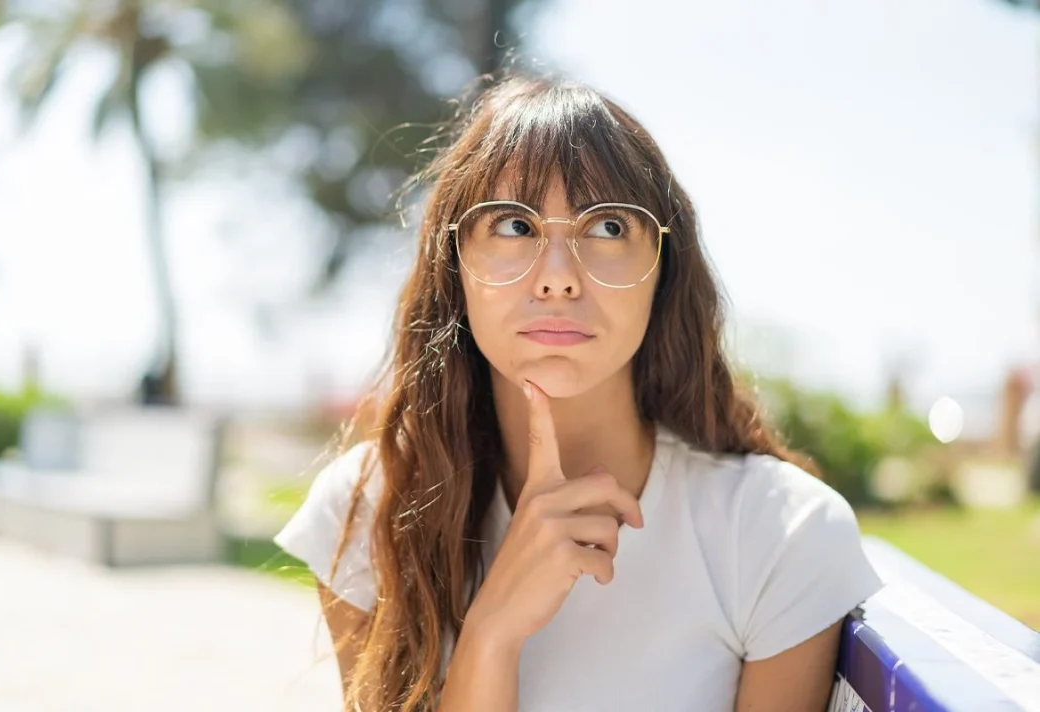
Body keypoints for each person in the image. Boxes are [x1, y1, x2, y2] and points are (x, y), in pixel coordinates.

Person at [274, 72, 884, 711]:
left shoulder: (775, 532)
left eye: (610, 227)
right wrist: (490, 635)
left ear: (663, 271)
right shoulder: (370, 510)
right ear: (452, 267)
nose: (559, 278)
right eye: (513, 225)